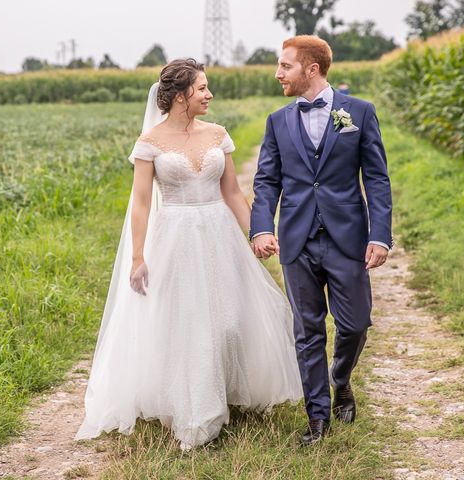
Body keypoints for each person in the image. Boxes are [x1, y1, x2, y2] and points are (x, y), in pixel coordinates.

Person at [75, 58, 303, 451]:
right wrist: (137, 257)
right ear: (180, 96)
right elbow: (142, 203)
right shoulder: (150, 143)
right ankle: (197, 413)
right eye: (202, 89)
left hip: (218, 232)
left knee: (229, 319)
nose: (209, 94)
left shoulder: (217, 134)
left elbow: (232, 191)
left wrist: (258, 233)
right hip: (176, 237)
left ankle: (230, 388)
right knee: (189, 323)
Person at [250, 36, 393, 446]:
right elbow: (267, 181)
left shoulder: (360, 113)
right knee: (307, 331)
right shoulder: (277, 121)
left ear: (311, 69)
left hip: (347, 237)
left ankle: (341, 378)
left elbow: (377, 179)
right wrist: (262, 227)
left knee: (355, 323)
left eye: (285, 66)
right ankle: (318, 419)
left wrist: (380, 235)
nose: (278, 73)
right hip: (296, 240)